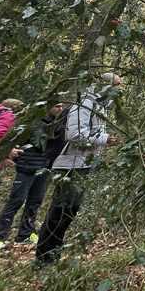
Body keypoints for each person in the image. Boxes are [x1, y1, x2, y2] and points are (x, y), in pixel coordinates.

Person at [35, 74, 122, 263]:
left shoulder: (101, 106)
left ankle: (52, 254)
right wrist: (104, 140)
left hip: (83, 164)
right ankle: (44, 257)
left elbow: (92, 132)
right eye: (115, 86)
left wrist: (105, 139)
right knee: (60, 210)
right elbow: (75, 134)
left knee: (70, 211)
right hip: (69, 165)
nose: (117, 91)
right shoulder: (84, 103)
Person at [0, 103, 66, 247]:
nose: (59, 109)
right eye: (57, 105)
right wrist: (11, 155)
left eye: (61, 106)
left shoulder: (57, 125)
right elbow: (16, 140)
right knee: (16, 200)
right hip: (26, 167)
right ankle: (0, 236)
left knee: (35, 201)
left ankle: (25, 234)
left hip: (44, 167)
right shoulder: (33, 122)